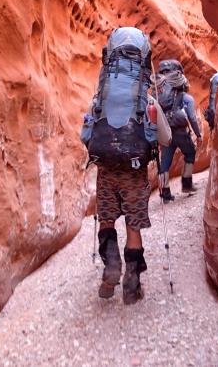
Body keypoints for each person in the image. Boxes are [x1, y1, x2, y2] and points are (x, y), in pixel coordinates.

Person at [80, 27, 156, 304]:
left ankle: (111, 268)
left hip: (106, 173)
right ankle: (131, 286)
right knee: (132, 227)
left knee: (107, 220)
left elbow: (85, 136)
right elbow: (164, 137)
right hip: (135, 174)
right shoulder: (146, 100)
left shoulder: (99, 99)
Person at [156, 59, 202, 201]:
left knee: (165, 163)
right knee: (190, 153)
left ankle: (165, 193)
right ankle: (187, 185)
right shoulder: (185, 97)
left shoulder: (158, 96)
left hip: (165, 133)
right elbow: (192, 118)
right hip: (180, 131)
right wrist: (198, 134)